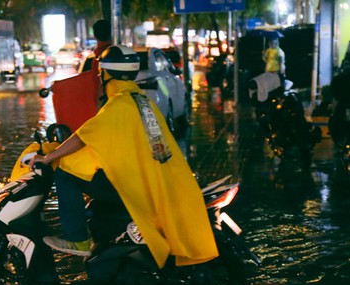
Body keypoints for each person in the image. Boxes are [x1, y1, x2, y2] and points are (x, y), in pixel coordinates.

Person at [30, 45, 218, 268]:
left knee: (66, 174)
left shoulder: (119, 104)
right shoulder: (141, 100)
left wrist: (49, 157)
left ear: (106, 74)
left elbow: (84, 136)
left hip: (134, 184)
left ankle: (78, 239)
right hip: (156, 181)